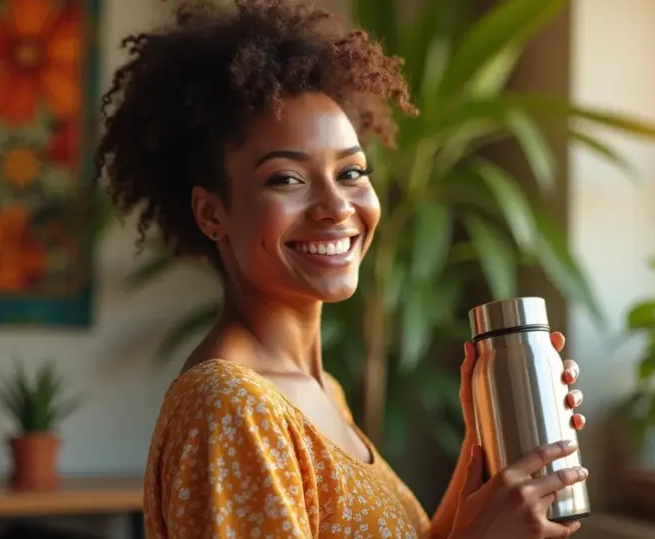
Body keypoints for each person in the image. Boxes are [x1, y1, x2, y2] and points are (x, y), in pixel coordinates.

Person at [95, 1, 588, 537]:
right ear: (212, 212)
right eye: (286, 179)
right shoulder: (232, 407)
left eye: (351, 171)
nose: (336, 206)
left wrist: (481, 447)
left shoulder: (323, 392)